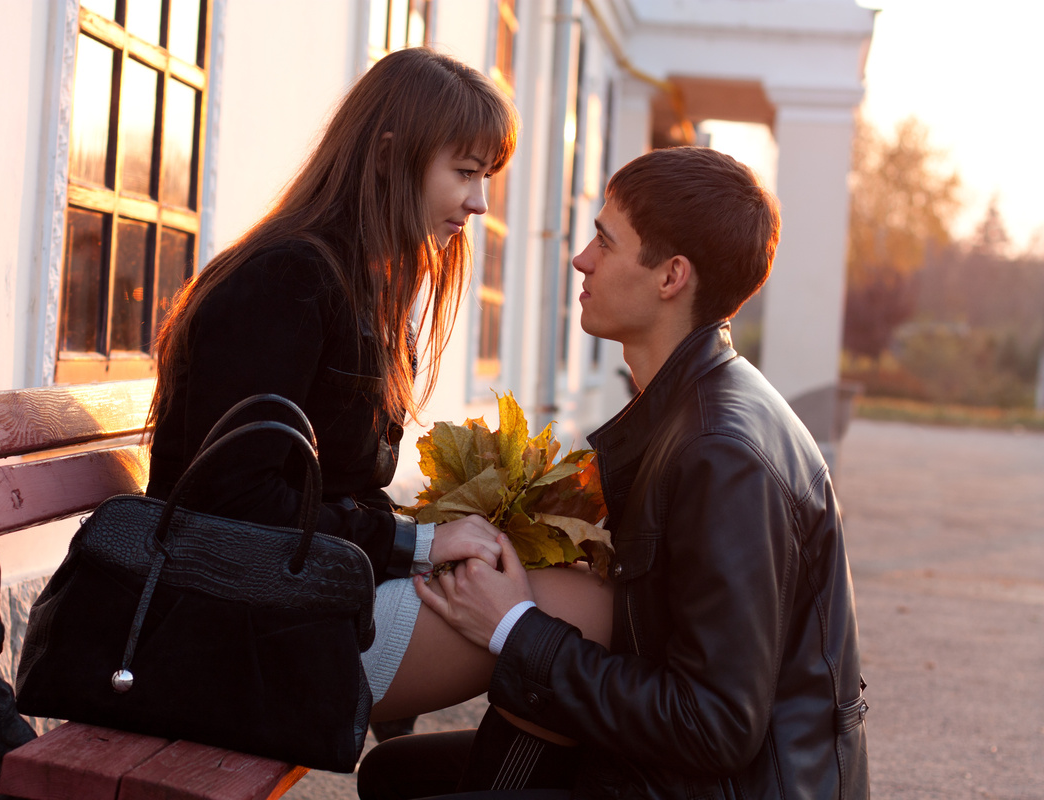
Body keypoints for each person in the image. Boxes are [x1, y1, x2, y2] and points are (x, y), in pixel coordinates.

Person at [144, 46, 613, 756]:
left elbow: (323, 488)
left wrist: (436, 540)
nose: (481, 203)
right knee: (586, 614)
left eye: (485, 177)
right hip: (233, 626)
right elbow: (229, 503)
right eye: (465, 172)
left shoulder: (358, 283)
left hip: (291, 598)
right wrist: (418, 542)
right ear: (391, 154)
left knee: (563, 595)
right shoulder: (287, 281)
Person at [361, 146, 869, 798]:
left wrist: (514, 626)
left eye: (605, 241)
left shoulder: (725, 456)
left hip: (726, 787)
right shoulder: (688, 405)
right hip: (675, 772)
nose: (581, 259)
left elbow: (713, 725)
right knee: (394, 774)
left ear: (670, 278)